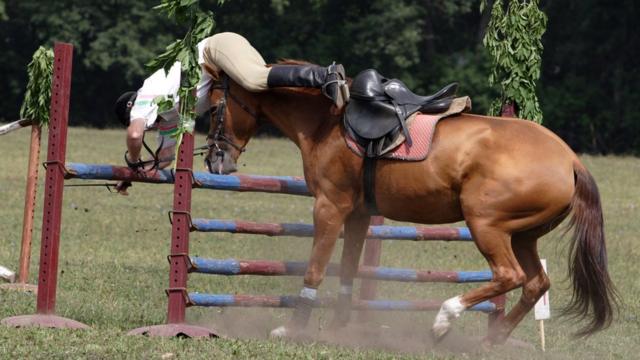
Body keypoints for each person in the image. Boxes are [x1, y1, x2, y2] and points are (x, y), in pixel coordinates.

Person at [114, 32, 347, 193]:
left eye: (145, 123)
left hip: (216, 49)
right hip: (223, 55)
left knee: (254, 80)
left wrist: (132, 162)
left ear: (132, 108)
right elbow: (164, 159)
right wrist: (132, 176)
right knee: (264, 92)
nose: (150, 127)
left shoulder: (146, 96)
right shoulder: (169, 119)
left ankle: (326, 76)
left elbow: (135, 135)